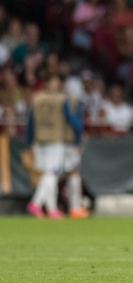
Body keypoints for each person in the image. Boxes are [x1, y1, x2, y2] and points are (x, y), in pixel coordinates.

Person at [26, 74, 85, 219]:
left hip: (40, 140)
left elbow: (30, 122)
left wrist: (29, 142)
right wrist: (78, 137)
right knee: (52, 173)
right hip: (56, 140)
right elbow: (72, 121)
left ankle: (42, 206)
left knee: (48, 173)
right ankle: (43, 206)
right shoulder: (62, 100)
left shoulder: (37, 98)